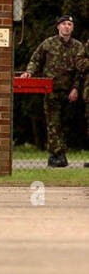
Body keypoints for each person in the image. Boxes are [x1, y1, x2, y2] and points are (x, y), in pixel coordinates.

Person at [20, 14, 83, 168]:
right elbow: (36, 59)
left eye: (69, 24)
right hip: (52, 90)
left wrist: (75, 88)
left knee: (66, 124)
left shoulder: (78, 47)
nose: (66, 27)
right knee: (53, 123)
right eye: (64, 24)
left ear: (72, 27)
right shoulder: (48, 43)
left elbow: (80, 71)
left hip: (70, 92)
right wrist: (29, 72)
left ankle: (62, 152)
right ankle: (57, 154)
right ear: (58, 26)